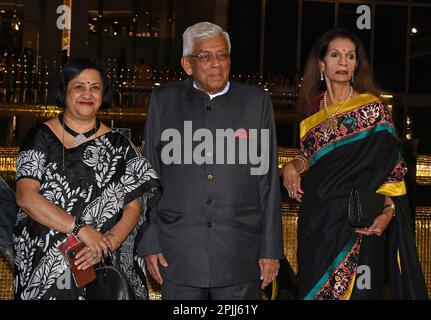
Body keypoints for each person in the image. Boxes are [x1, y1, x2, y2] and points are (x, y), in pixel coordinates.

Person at [139, 21, 284, 300]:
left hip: (240, 251)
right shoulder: (163, 100)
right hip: (177, 250)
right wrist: (150, 240)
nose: (216, 64)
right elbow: (149, 177)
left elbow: (267, 182)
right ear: (187, 63)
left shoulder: (256, 102)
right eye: (205, 56)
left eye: (223, 55)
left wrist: (270, 249)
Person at [283, 28, 428, 300]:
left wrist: (388, 210)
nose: (343, 62)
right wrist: (293, 165)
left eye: (350, 56)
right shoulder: (312, 112)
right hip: (317, 222)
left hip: (359, 223)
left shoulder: (372, 109)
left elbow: (392, 169)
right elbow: (311, 156)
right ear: (322, 63)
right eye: (335, 55)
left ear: (356, 64)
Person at [13, 57, 161, 300]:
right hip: (43, 264)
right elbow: (26, 196)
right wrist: (81, 230)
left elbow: (133, 207)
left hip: (99, 264)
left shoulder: (120, 145)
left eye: (95, 87)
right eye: (79, 86)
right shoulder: (40, 136)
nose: (87, 94)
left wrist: (106, 244)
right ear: (65, 91)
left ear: (103, 94)